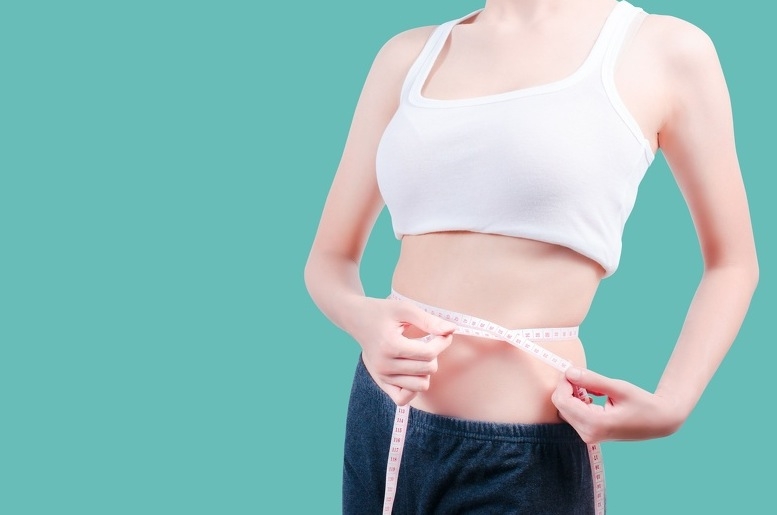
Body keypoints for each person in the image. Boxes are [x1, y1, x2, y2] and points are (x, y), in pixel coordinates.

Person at [304, 0, 758, 513]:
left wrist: (673, 404)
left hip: (524, 454)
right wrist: (365, 321)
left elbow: (733, 263)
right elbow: (329, 259)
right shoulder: (407, 55)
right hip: (381, 422)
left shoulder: (662, 49)